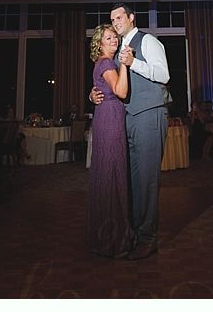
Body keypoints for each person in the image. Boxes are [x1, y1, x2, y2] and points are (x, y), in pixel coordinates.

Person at [90, 3, 171, 260]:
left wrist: (134, 62)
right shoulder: (114, 51)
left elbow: (164, 75)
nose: (116, 22)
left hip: (150, 114)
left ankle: (148, 238)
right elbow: (109, 80)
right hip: (126, 119)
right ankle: (134, 232)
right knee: (132, 181)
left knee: (146, 180)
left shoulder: (148, 41)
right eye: (112, 19)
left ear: (131, 18)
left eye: (120, 17)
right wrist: (92, 94)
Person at [86, 23, 133, 258]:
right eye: (108, 38)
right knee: (113, 172)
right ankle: (115, 238)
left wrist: (91, 94)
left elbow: (101, 88)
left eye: (114, 36)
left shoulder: (102, 63)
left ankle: (105, 234)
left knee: (107, 172)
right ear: (100, 43)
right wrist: (125, 64)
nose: (113, 40)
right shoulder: (106, 63)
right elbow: (121, 92)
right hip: (111, 120)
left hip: (105, 116)